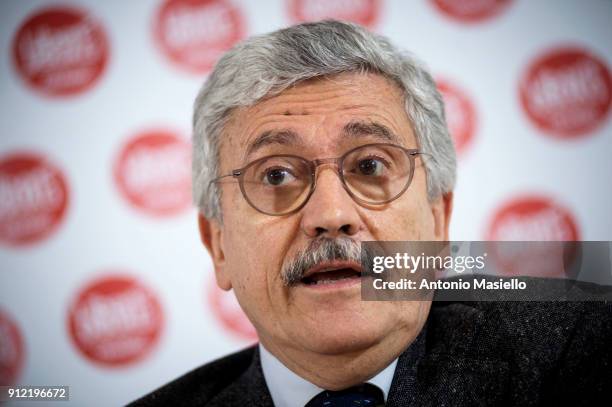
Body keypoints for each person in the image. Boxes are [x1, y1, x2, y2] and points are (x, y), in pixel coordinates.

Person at [130, 20, 611, 406]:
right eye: (276, 175)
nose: (331, 213)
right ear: (217, 244)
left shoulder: (582, 350)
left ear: (439, 220)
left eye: (370, 165)